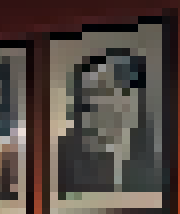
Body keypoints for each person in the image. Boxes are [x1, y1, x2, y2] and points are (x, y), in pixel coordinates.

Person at [55, 50, 160, 199]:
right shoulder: (63, 157)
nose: (113, 101)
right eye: (101, 91)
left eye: (123, 91)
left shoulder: (158, 155)